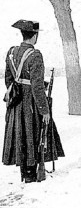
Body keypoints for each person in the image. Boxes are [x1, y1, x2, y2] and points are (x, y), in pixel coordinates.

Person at [2, 20, 64, 183]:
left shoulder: (11, 52)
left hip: (16, 105)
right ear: (34, 36)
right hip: (31, 104)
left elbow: (10, 79)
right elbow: (36, 86)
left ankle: (25, 173)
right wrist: (44, 111)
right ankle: (32, 174)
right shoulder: (35, 55)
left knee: (20, 137)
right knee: (32, 136)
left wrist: (20, 91)